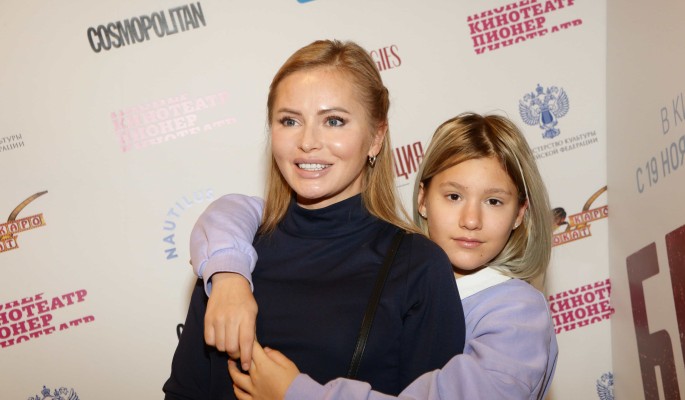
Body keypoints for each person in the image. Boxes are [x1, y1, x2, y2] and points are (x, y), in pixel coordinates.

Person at [163, 39, 465, 400]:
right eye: (290, 121)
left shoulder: (417, 265)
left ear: (376, 137)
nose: (307, 142)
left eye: (334, 121)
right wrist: (227, 278)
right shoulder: (230, 261)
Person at [191, 113, 559, 399]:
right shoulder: (401, 270)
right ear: (422, 200)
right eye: (453, 196)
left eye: (493, 201)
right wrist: (229, 276)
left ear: (519, 214)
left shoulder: (518, 312)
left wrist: (295, 393)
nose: (471, 219)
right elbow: (240, 212)